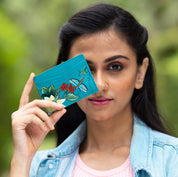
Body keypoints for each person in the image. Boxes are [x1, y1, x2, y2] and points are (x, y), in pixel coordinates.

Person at [10, 3, 178, 177]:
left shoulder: (173, 160)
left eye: (115, 67)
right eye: (86, 69)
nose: (99, 84)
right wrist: (22, 159)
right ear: (66, 76)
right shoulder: (38, 167)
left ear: (140, 73)